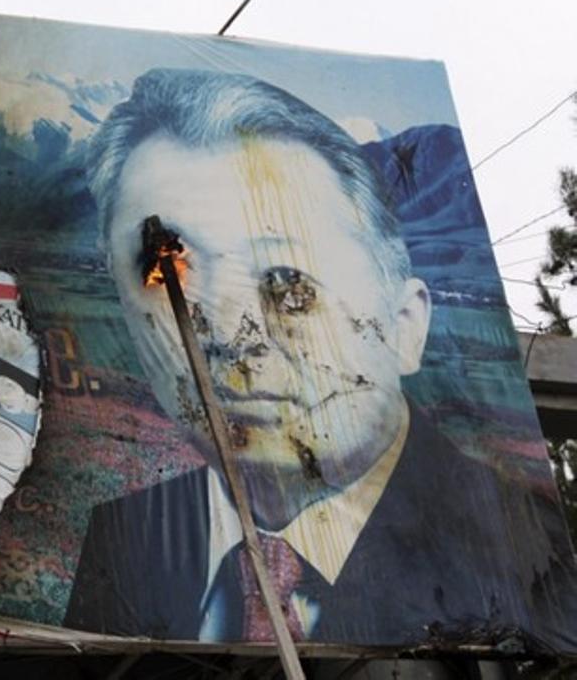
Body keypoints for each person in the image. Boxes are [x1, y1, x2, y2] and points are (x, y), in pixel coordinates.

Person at [63, 68, 577, 648]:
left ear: (406, 325)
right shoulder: (124, 536)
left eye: (287, 284)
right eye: (171, 274)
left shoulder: (521, 549)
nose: (232, 337)